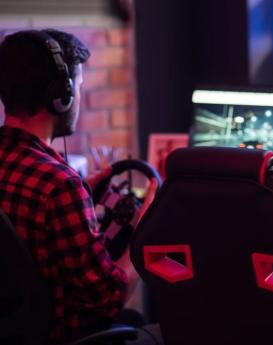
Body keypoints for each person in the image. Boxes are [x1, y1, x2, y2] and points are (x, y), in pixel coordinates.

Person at [0, 29, 157, 344]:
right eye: (79, 88)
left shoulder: (52, 184)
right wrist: (144, 233)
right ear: (61, 96)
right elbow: (108, 300)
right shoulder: (60, 187)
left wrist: (80, 193)